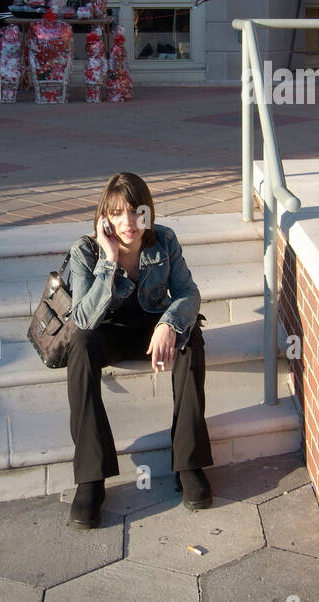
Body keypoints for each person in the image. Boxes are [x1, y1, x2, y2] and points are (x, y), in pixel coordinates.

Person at [65, 171, 213, 530]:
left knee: (190, 338)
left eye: (135, 211)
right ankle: (91, 478)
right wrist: (109, 260)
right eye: (117, 213)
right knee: (81, 347)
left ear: (148, 213)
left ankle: (188, 463)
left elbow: (188, 294)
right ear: (105, 218)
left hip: (151, 326)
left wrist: (169, 324)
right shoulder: (85, 252)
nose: (128, 222)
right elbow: (83, 320)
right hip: (108, 333)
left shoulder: (164, 241)